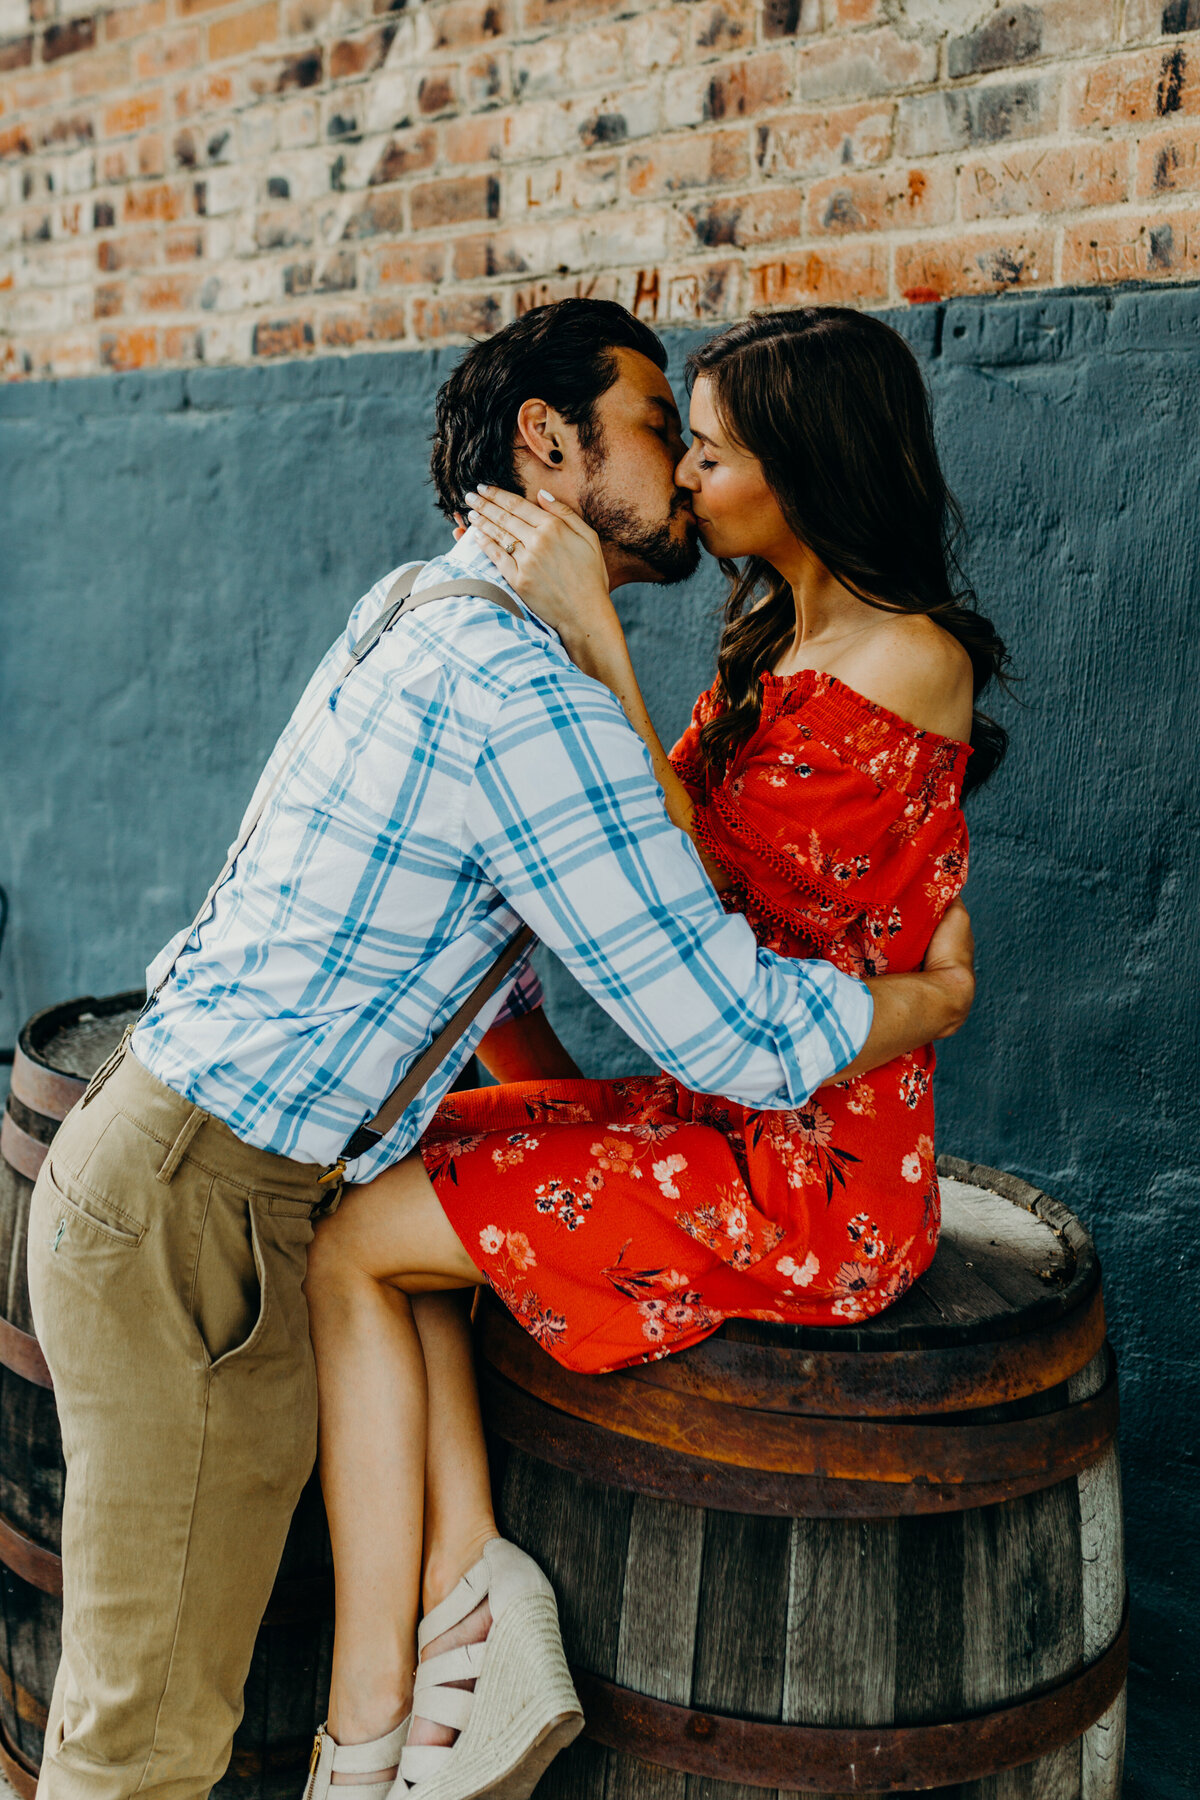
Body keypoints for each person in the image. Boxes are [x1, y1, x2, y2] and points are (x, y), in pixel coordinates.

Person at [25, 299, 974, 1800]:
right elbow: (726, 1018)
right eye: (665, 432)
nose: (681, 476)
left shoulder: (425, 606)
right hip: (195, 1210)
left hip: (191, 1177)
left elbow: (578, 951)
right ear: (549, 443)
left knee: (133, 1719)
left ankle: (436, 1645)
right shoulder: (524, 698)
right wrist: (921, 1008)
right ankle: (399, 1709)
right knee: (136, 1754)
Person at [301, 306, 993, 1799]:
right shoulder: (780, 642)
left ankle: (394, 1708)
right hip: (731, 1100)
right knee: (389, 1176)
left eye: (717, 449)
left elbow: (692, 891)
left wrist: (593, 632)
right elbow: (658, 850)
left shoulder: (908, 658)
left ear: (805, 470)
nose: (687, 476)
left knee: (358, 1246)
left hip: (813, 1166)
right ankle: (469, 1608)